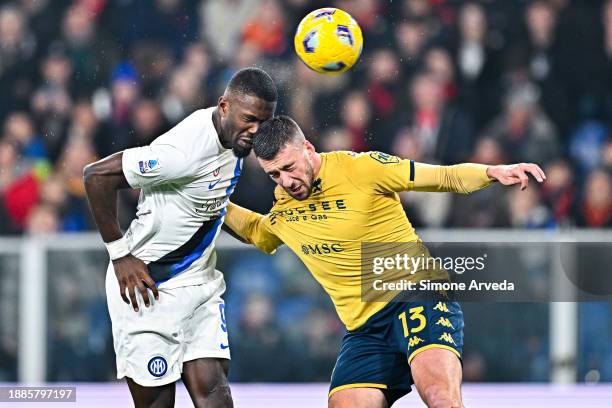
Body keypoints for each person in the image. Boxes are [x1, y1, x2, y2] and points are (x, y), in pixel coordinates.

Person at [223, 115, 546, 408]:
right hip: (365, 329)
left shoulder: (361, 169)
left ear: (307, 148)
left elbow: (443, 177)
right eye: (274, 174)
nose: (286, 181)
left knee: (439, 396)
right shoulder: (285, 209)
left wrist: (491, 172)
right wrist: (212, 201)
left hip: (418, 296)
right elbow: (259, 234)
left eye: (289, 167)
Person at [83, 67, 277, 408]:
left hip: (200, 286)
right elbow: (95, 176)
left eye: (265, 121)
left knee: (216, 394)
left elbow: (208, 198)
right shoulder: (182, 153)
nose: (256, 130)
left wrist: (255, 228)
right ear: (224, 106)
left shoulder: (236, 140)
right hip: (146, 290)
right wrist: (120, 254)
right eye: (249, 119)